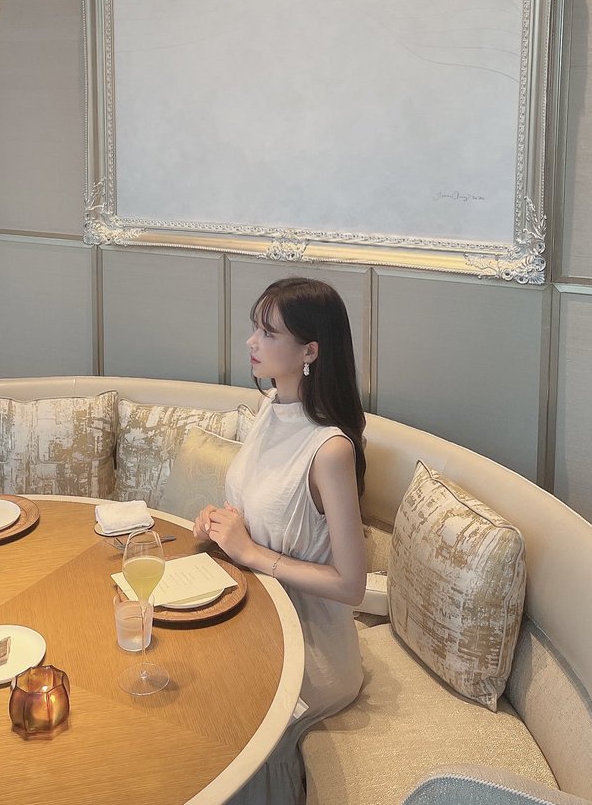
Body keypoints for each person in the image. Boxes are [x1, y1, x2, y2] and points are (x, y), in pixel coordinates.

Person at [193, 277, 367, 804]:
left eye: (269, 333)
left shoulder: (330, 450)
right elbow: (260, 509)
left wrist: (250, 552)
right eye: (255, 327)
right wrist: (220, 526)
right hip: (253, 613)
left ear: (310, 351)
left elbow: (351, 584)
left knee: (208, 722)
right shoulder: (269, 406)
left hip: (308, 649)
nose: (252, 341)